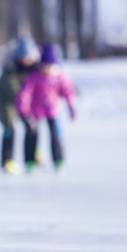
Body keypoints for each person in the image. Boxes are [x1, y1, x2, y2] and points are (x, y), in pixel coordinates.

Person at [15, 42, 76, 173]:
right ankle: (30, 160)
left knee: (55, 134)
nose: (46, 69)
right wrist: (23, 109)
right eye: (44, 66)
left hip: (52, 109)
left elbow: (68, 91)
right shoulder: (35, 76)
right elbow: (25, 92)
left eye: (49, 66)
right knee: (32, 133)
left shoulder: (59, 76)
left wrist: (71, 107)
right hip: (35, 109)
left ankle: (58, 160)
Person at [0, 36, 40, 174]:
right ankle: (7, 161)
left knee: (32, 126)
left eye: (28, 57)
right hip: (7, 104)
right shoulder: (10, 69)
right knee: (10, 128)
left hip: (25, 104)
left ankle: (31, 158)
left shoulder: (34, 68)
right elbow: (11, 91)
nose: (25, 61)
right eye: (23, 57)